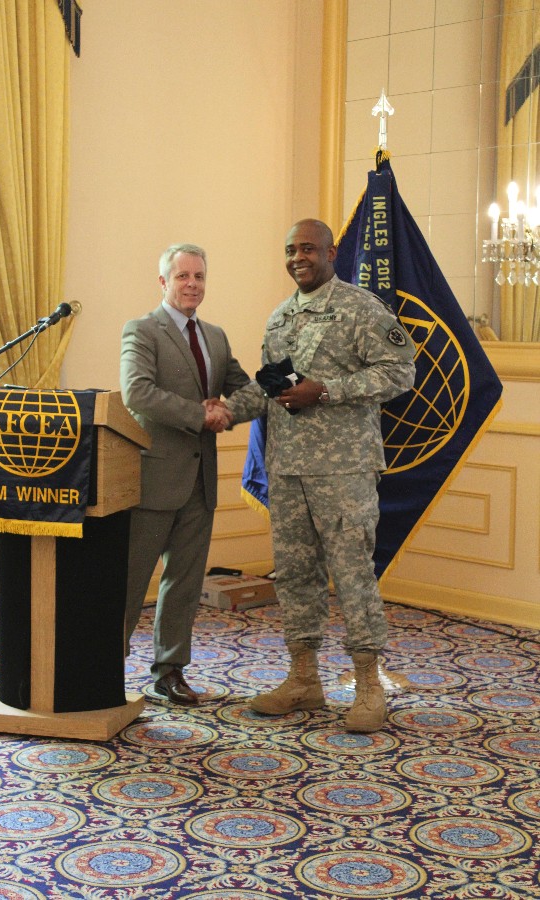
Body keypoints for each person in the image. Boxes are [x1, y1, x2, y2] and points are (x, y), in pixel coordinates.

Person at [221, 219, 416, 732]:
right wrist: (221, 412)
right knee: (295, 576)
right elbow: (269, 386)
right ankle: (304, 678)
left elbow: (400, 371)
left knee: (353, 575)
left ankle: (369, 684)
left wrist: (326, 390)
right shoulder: (281, 317)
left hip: (343, 468)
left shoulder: (359, 307)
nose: (297, 257)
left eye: (307, 248)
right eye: (290, 249)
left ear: (331, 252)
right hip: (287, 471)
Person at [120, 243, 246, 705]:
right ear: (163, 282)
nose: (192, 284)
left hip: (202, 481)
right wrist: (201, 414)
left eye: (199, 277)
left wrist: (289, 386)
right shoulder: (142, 330)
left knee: (185, 584)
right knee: (130, 581)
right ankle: (102, 668)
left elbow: (244, 389)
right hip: (153, 479)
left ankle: (169, 671)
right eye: (182, 276)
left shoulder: (215, 336)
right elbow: (138, 393)